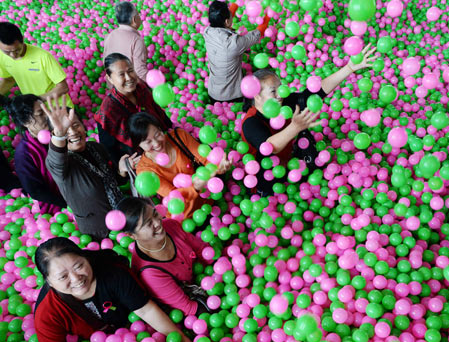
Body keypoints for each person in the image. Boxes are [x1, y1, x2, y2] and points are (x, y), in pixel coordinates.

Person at [33, 237, 194, 342]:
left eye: (79, 266)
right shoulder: (47, 311)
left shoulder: (114, 273)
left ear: (86, 258)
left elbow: (146, 310)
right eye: (63, 277)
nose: (76, 278)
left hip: (133, 328)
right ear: (49, 282)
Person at [241, 44, 377, 196]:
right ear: (256, 96)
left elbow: (314, 93)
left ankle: (306, 176)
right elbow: (269, 147)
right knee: (299, 129)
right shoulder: (250, 122)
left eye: (280, 88)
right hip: (264, 175)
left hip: (290, 163)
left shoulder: (285, 102)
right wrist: (295, 127)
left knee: (304, 135)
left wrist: (349, 68)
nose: (280, 94)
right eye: (273, 91)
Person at [42, 95, 140, 239]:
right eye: (66, 129)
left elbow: (111, 182)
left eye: (76, 125)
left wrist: (121, 171)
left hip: (123, 218)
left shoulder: (96, 148)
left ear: (83, 126)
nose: (73, 132)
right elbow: (57, 160)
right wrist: (59, 134)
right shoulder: (60, 165)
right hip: (99, 233)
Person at [117, 197, 212, 316]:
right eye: (148, 223)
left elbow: (202, 251)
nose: (157, 223)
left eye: (155, 214)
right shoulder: (150, 273)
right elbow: (188, 308)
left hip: (206, 279)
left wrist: (218, 273)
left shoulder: (171, 225)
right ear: (132, 235)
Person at [128, 112, 230, 219]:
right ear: (139, 145)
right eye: (148, 142)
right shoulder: (144, 170)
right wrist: (194, 188)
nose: (156, 144)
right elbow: (172, 194)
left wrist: (218, 167)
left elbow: (205, 159)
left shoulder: (179, 136)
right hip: (185, 216)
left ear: (160, 129)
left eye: (157, 134)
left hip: (209, 198)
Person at [95, 53, 172, 164]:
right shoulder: (108, 111)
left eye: (130, 71)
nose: (129, 78)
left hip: (162, 146)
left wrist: (171, 131)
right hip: (140, 162)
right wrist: (123, 169)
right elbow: (109, 150)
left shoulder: (141, 88)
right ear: (110, 78)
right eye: (121, 74)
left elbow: (158, 112)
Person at [1, 94, 67, 214]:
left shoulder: (56, 133)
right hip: (58, 207)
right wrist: (67, 204)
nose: (47, 115)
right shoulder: (24, 154)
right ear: (25, 122)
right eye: (40, 114)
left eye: (45, 111)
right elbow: (36, 191)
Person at [203, 1, 270, 103]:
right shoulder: (234, 44)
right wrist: (269, 14)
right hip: (231, 98)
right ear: (226, 22)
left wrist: (237, 3)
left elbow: (224, 21)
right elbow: (258, 33)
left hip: (213, 93)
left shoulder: (207, 32)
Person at [0, 22, 72, 106]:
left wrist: (36, 101)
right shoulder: (2, 56)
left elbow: (63, 87)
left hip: (58, 107)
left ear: (23, 39)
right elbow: (9, 79)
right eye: (7, 52)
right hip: (33, 110)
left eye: (17, 50)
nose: (13, 55)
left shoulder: (43, 57)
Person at [102, 1, 148, 81]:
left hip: (113, 85)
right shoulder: (137, 40)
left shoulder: (109, 36)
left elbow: (105, 62)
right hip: (130, 88)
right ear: (134, 19)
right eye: (138, 14)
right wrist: (156, 85)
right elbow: (140, 72)